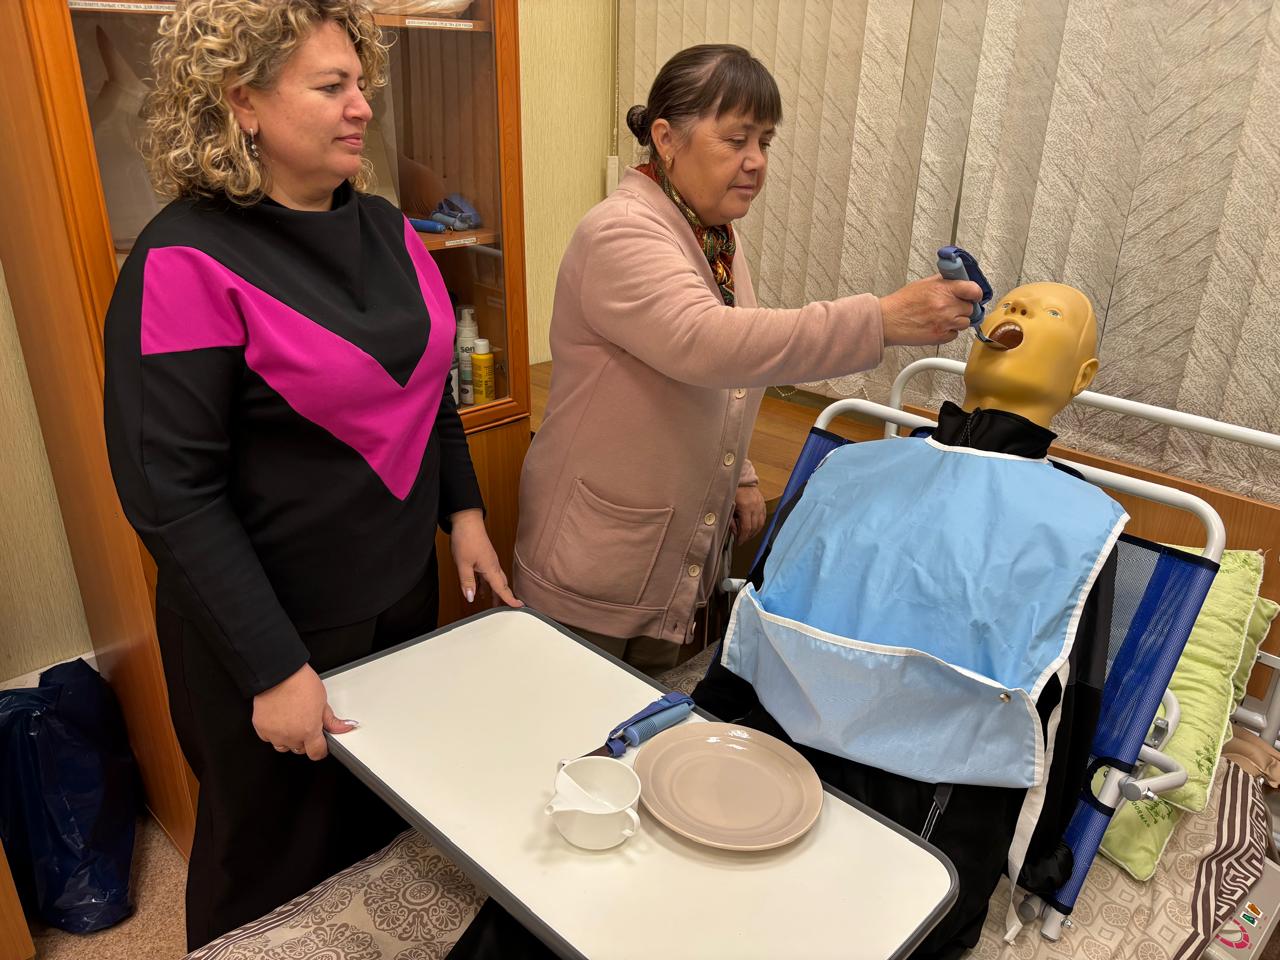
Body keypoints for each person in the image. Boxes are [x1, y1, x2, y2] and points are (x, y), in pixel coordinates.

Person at [102, 0, 517, 948]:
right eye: (331, 87)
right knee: (272, 862)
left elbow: (426, 390)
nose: (362, 105)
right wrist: (275, 666)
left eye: (360, 83)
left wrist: (463, 513)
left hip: (396, 599)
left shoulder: (388, 229)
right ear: (242, 101)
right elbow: (171, 494)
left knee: (383, 834)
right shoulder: (183, 259)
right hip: (267, 628)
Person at [512, 43, 981, 678]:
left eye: (765, 141)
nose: (756, 161)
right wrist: (879, 320)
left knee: (642, 720)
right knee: (572, 725)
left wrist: (742, 474)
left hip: (663, 553)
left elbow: (720, 377)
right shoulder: (621, 231)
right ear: (666, 138)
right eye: (736, 139)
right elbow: (707, 343)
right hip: (597, 559)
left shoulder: (712, 234)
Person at [695, 282, 1120, 957]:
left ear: (1082, 376)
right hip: (773, 755)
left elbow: (1070, 715)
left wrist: (1042, 858)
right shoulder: (852, 467)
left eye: (1049, 313)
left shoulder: (1081, 526)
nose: (1015, 311)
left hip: (927, 816)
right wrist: (704, 718)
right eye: (1009, 302)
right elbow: (761, 610)